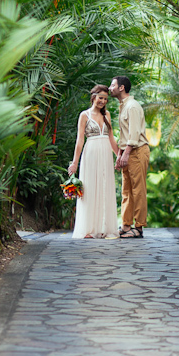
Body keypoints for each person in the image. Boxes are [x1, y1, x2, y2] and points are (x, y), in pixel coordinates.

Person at [68, 85, 119, 239]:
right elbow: (80, 139)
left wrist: (119, 156)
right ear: (93, 97)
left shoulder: (107, 115)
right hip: (90, 153)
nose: (102, 101)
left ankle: (104, 227)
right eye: (100, 98)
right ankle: (88, 229)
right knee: (90, 188)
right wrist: (74, 162)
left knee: (105, 187)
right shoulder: (84, 115)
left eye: (105, 99)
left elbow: (111, 138)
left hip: (105, 154)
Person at [109, 75, 149, 239]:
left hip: (137, 151)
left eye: (112, 85)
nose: (109, 88)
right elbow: (124, 135)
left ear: (121, 88)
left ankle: (138, 228)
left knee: (138, 190)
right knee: (126, 191)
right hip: (127, 152)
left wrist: (126, 153)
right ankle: (126, 225)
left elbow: (134, 133)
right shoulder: (123, 106)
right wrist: (120, 154)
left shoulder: (132, 106)